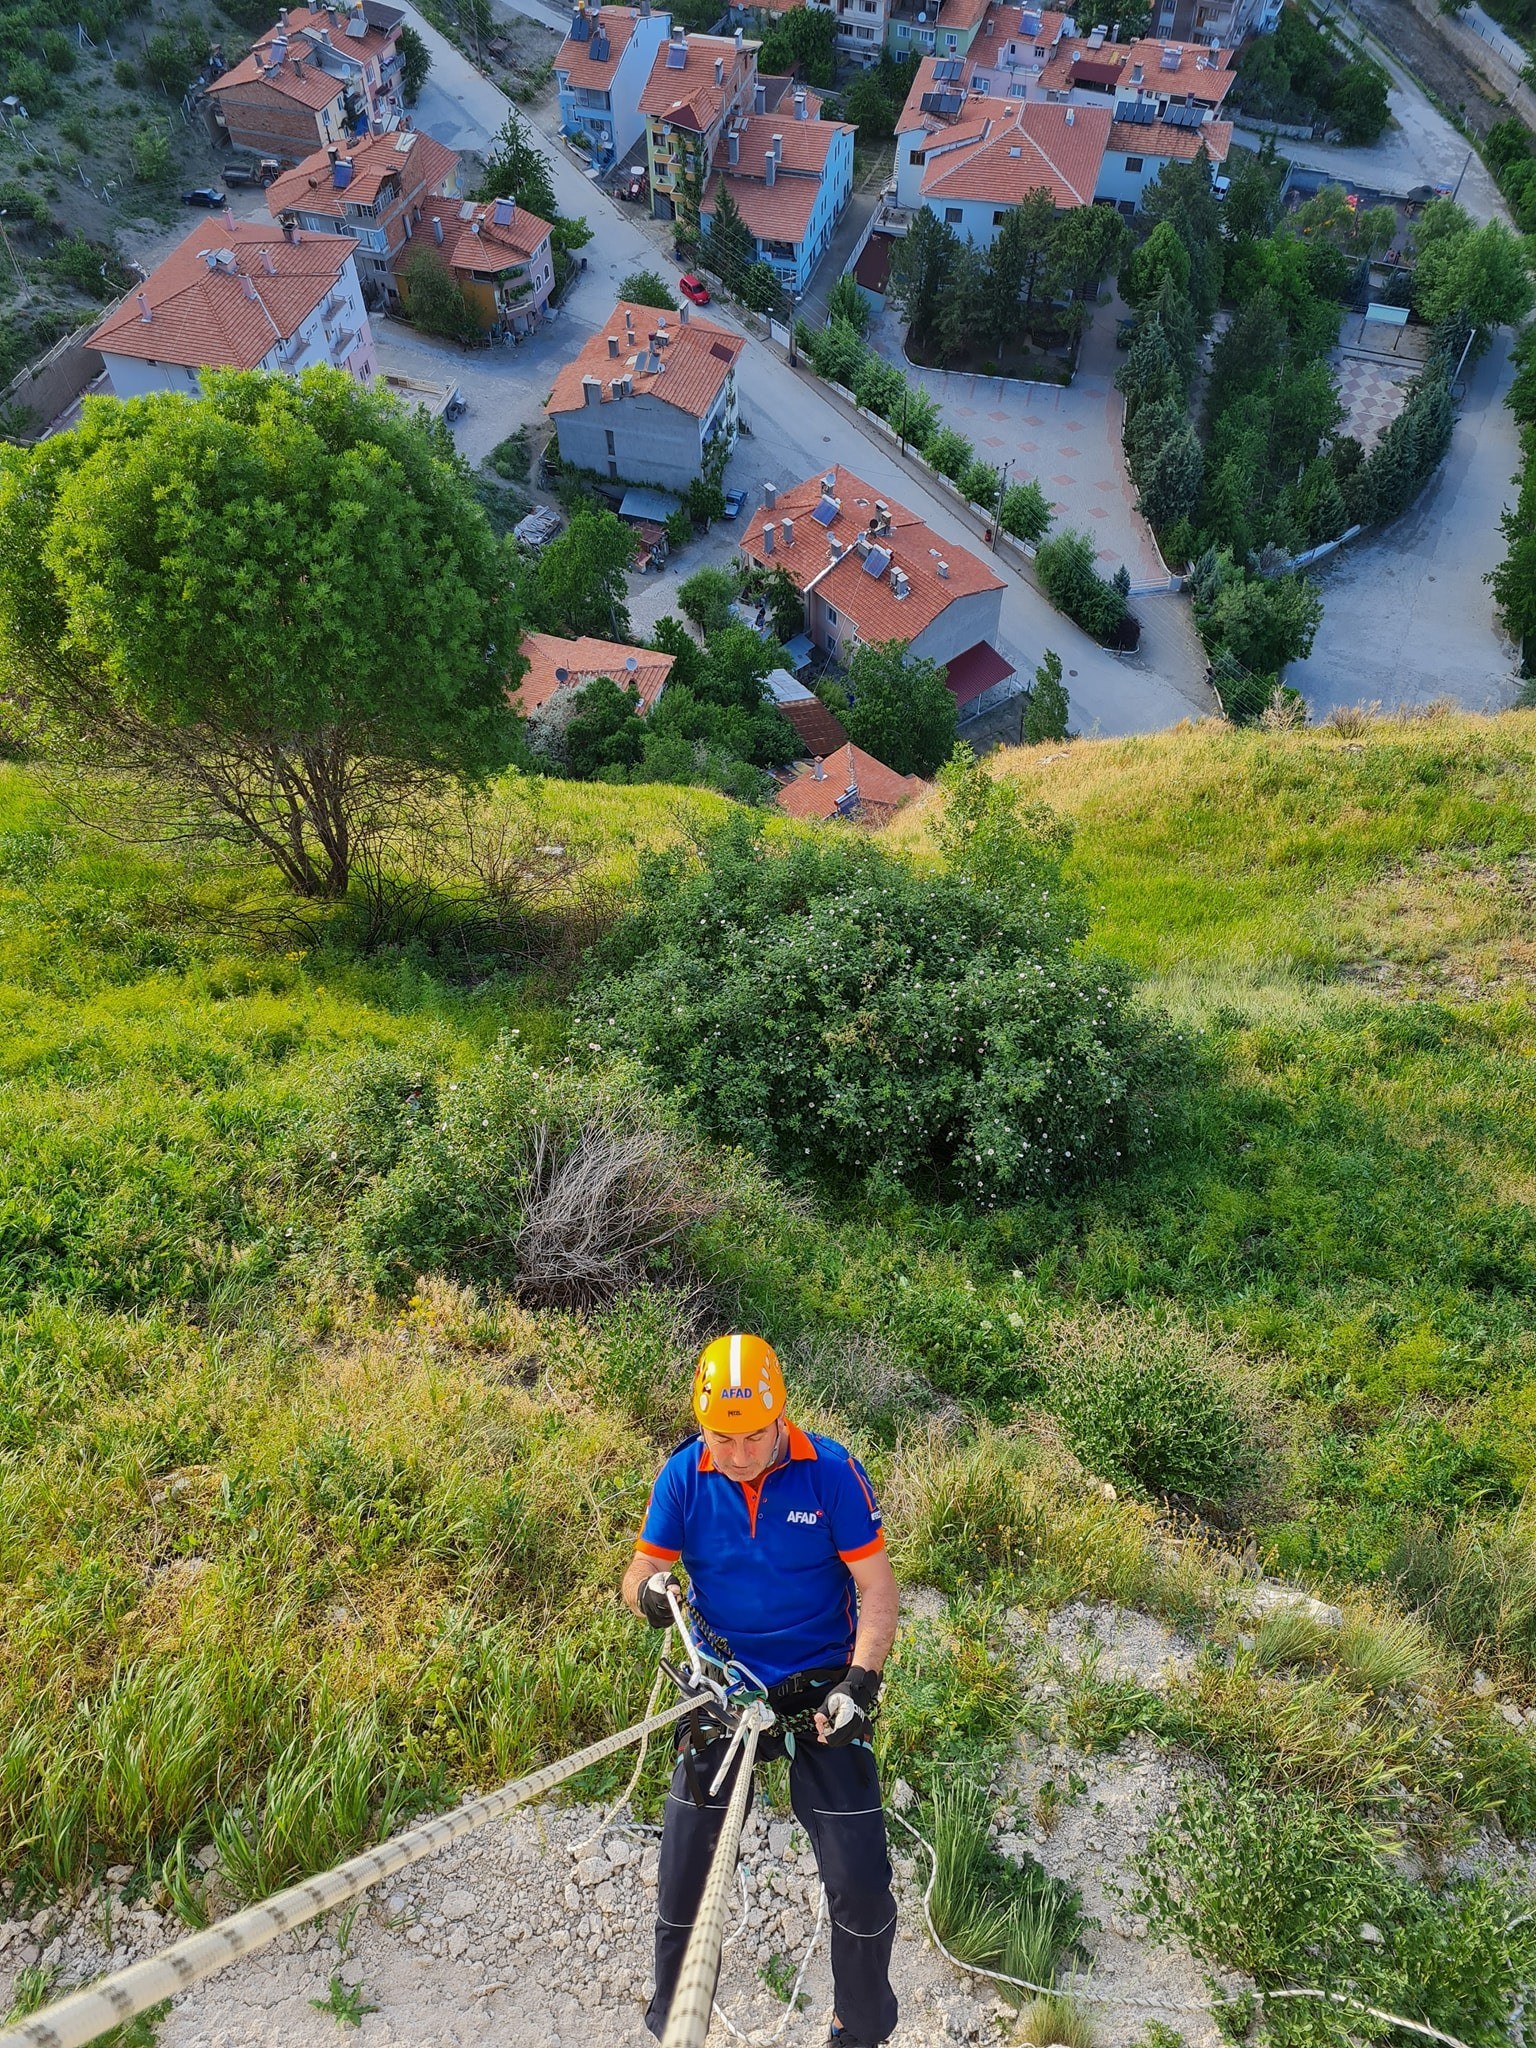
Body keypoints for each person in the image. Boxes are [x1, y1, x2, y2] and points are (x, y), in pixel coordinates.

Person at [622, 1333, 901, 2048]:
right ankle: (671, 2027)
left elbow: (876, 1589)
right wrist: (651, 1595)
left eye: (753, 1436)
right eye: (723, 1438)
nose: (739, 1455)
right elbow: (639, 1571)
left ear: (782, 1416)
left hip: (819, 1688)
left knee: (861, 1878)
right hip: (726, 1683)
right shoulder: (685, 1476)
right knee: (687, 1868)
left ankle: (858, 2029)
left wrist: (860, 1682)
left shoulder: (833, 1474)